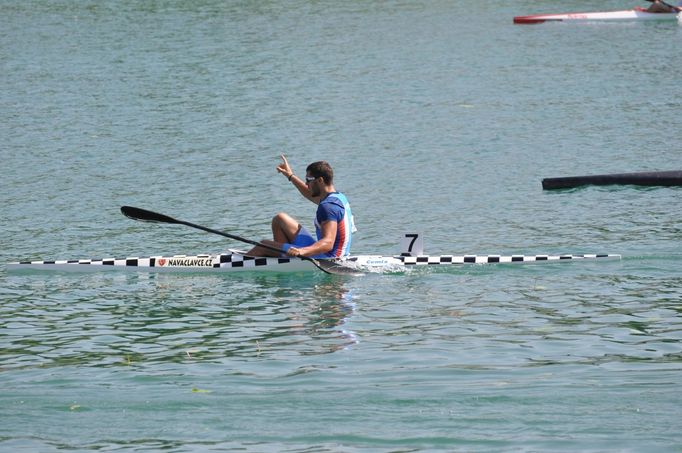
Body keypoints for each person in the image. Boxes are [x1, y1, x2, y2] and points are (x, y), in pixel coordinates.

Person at [246, 155, 355, 259]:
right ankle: (284, 259)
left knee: (263, 245)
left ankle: (240, 263)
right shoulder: (337, 197)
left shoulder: (328, 207)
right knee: (280, 219)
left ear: (320, 180)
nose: (307, 184)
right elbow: (309, 193)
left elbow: (328, 243)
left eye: (309, 180)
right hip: (328, 251)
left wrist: (301, 251)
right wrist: (290, 175)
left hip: (328, 257)